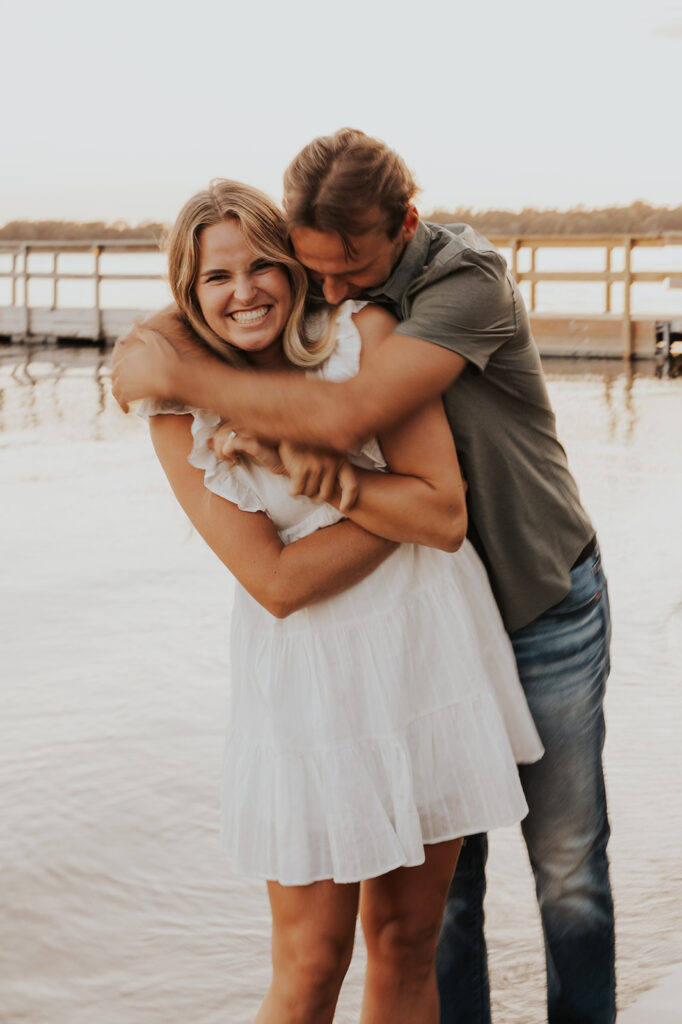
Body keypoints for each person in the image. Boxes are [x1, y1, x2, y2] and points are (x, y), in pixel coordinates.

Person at [112, 129, 615, 1024]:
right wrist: (376, 495)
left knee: (520, 886)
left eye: (262, 266)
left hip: (506, 614)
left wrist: (309, 460)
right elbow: (275, 580)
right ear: (186, 293)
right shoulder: (181, 400)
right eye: (214, 278)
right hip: (313, 687)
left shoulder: (411, 308)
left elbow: (429, 502)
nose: (247, 290)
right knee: (314, 963)